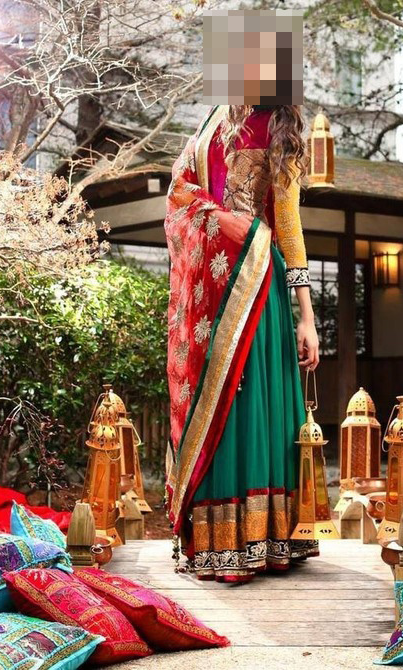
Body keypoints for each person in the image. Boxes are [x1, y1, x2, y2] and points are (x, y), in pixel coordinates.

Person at [164, 100, 321, 583]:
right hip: (210, 293)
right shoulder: (212, 120)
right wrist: (222, 224)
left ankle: (264, 539)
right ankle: (214, 542)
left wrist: (307, 316)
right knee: (219, 407)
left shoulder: (281, 128)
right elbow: (179, 194)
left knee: (253, 405)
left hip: (257, 287)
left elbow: (288, 226)